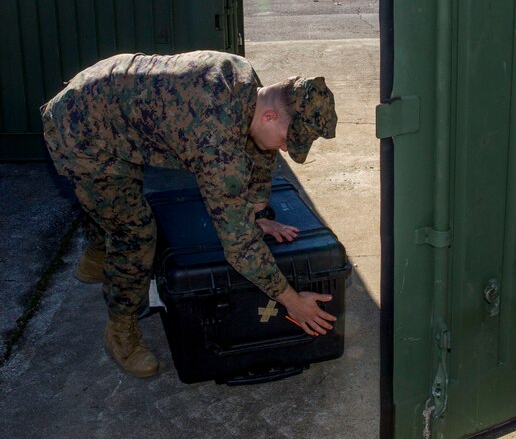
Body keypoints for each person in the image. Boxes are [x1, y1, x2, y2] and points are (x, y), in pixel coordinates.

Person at [41, 50, 338, 379]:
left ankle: (97, 254)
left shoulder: (245, 81)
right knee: (135, 233)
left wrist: (255, 211)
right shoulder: (216, 139)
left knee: (114, 203)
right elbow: (238, 247)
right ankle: (120, 331)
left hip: (112, 105)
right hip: (82, 131)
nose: (285, 148)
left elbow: (259, 149)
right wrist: (292, 300)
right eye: (288, 139)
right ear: (269, 116)